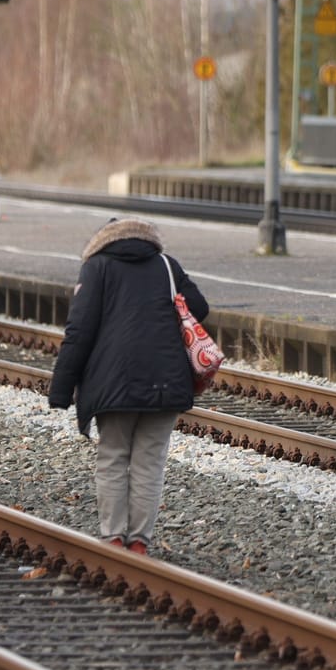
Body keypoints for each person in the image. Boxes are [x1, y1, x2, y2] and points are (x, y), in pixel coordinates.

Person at [47, 218, 209, 556]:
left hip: (113, 382)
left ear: (104, 240)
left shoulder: (97, 267)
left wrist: (60, 389)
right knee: (150, 462)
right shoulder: (166, 265)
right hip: (166, 379)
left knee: (113, 458)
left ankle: (114, 538)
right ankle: (138, 542)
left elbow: (79, 332)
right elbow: (201, 308)